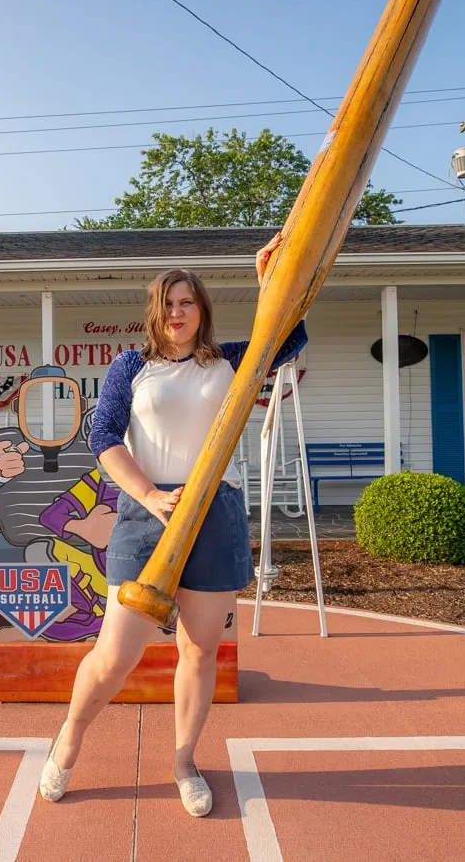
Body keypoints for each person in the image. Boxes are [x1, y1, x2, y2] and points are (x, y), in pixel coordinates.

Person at [38, 232, 307, 816]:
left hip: (218, 515)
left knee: (199, 649)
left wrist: (271, 285)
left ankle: (184, 761)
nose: (177, 312)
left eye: (187, 302)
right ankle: (69, 739)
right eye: (167, 303)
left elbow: (293, 334)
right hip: (145, 516)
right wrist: (148, 494)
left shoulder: (234, 358)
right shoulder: (131, 366)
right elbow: (103, 436)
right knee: (114, 654)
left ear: (202, 310)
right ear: (153, 312)